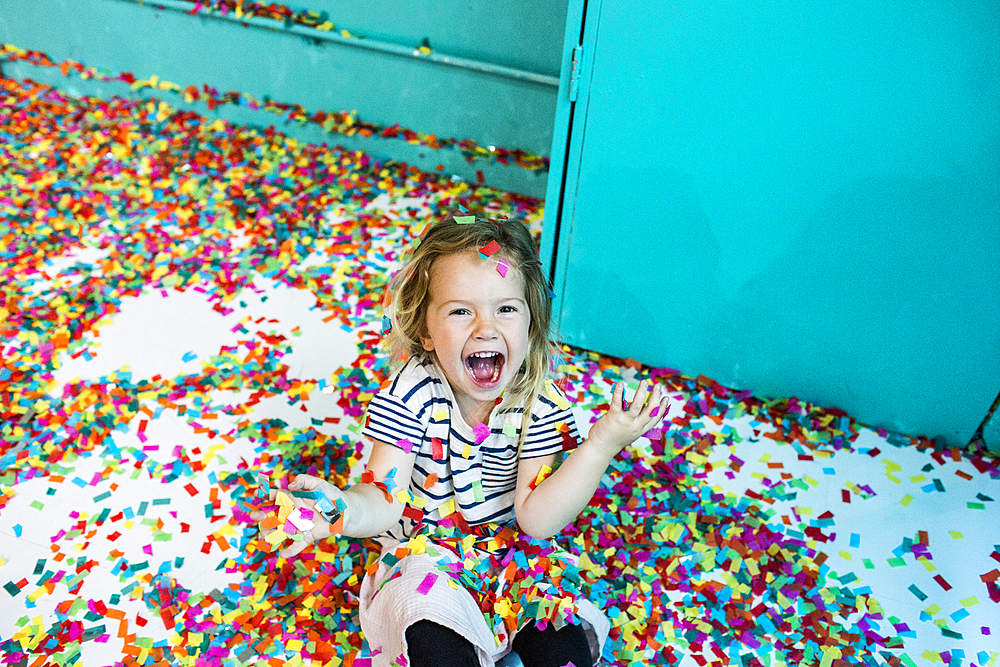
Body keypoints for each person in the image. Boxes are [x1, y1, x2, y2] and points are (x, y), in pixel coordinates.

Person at [251, 212, 669, 667]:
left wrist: (601, 444)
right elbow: (384, 498)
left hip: (518, 558)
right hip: (427, 559)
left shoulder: (540, 400)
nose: (485, 328)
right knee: (428, 633)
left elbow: (538, 520)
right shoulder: (411, 392)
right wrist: (338, 512)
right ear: (426, 332)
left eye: (506, 309)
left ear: (531, 327)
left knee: (563, 644)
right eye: (460, 311)